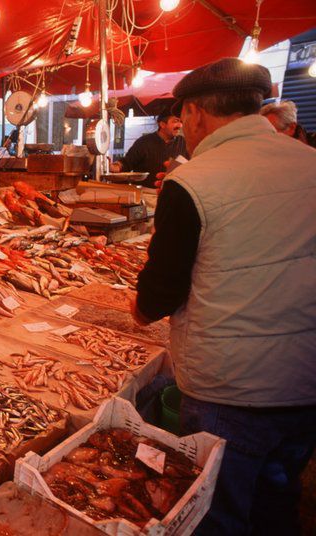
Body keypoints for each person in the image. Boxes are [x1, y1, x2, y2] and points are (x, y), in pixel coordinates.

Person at [133, 58, 316, 535]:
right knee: (278, 499)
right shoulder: (311, 162)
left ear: (194, 113)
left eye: (182, 118)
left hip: (228, 390)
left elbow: (160, 291)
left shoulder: (192, 180)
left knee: (217, 514)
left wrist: (139, 309)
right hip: (305, 380)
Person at [111, 111, 188, 186]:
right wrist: (115, 166)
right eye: (176, 121)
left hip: (171, 192)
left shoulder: (184, 142)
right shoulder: (144, 142)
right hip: (145, 192)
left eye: (181, 121)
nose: (180, 125)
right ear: (162, 124)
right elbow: (127, 162)